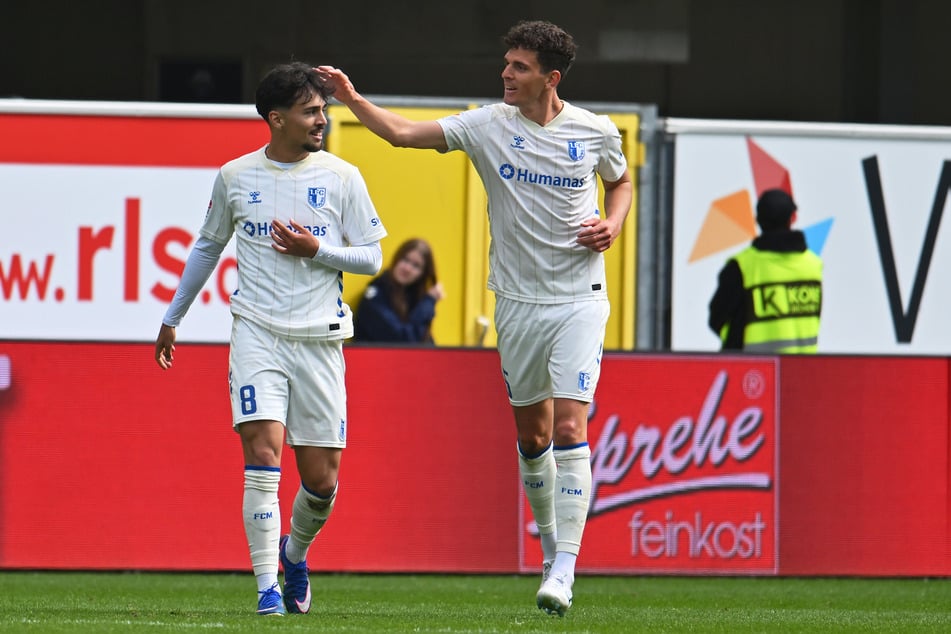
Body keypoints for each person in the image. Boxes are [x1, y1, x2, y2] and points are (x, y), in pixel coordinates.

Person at [317, 19, 633, 617]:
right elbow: (406, 135)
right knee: (532, 435)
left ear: (550, 77)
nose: (506, 74)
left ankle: (565, 567)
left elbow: (620, 183)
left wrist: (612, 223)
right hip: (516, 304)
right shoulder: (488, 125)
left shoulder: (594, 131)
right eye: (506, 64)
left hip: (579, 299)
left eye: (519, 67)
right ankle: (550, 544)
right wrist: (354, 101)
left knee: (569, 428)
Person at [153, 62, 387, 616]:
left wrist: (318, 251)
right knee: (262, 453)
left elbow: (373, 257)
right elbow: (208, 247)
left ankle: (295, 553)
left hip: (321, 341)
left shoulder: (342, 177)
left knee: (322, 482)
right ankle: (265, 589)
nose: (322, 120)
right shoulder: (236, 176)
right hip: (257, 333)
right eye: (311, 111)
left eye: (323, 110)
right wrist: (173, 316)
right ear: (276, 118)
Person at [708, 188, 822, 352]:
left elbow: (716, 318)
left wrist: (736, 343)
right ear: (793, 218)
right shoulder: (813, 265)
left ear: (757, 220)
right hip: (802, 369)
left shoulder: (741, 267)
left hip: (752, 369)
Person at [353, 238, 444, 343]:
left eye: (416, 266)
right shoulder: (375, 296)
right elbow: (403, 341)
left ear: (423, 274)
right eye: (405, 259)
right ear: (396, 259)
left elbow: (426, 342)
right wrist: (428, 302)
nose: (407, 268)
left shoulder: (413, 297)